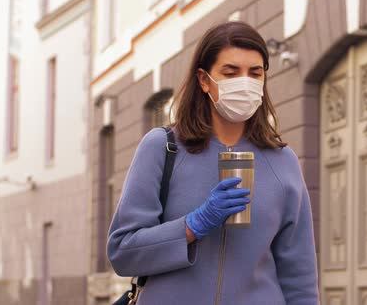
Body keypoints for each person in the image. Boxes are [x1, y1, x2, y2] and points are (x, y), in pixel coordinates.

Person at [107, 21, 319, 305]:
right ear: (204, 80)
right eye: (231, 73)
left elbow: (299, 274)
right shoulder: (162, 147)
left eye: (255, 73)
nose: (244, 82)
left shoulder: (282, 161)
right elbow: (123, 252)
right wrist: (193, 226)